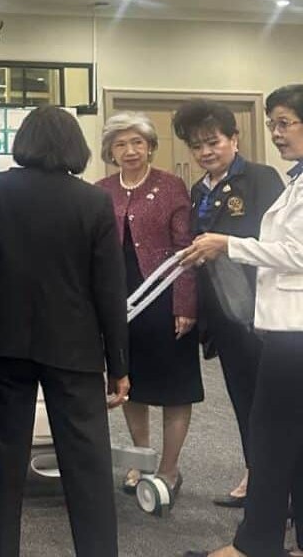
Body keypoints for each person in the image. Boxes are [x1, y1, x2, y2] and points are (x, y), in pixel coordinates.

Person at [0, 106, 128, 555]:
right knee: (88, 466)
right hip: (75, 349)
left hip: (3, 344)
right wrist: (119, 364)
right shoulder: (94, 201)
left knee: (3, 463)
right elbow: (109, 289)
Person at [181, 84, 303, 557]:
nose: (276, 132)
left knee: (271, 434)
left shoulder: (265, 179)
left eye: (285, 123)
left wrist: (227, 245)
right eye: (272, 124)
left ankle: (255, 544)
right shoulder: (294, 180)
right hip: (273, 322)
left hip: (289, 328)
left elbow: (294, 252)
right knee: (283, 433)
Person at [173, 99, 284, 508]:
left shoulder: (260, 179)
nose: (205, 151)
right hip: (223, 313)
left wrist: (226, 245)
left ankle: (278, 487)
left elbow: (278, 243)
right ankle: (257, 474)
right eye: (196, 145)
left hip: (260, 309)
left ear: (234, 139)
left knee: (271, 401)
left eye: (213, 141)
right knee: (242, 396)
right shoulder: (199, 190)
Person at [97, 112, 199, 498]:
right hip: (120, 302)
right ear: (110, 151)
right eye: (121, 144)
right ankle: (141, 461)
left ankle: (169, 469)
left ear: (151, 146)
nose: (130, 150)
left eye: (137, 142)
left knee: (176, 387)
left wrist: (186, 303)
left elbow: (186, 250)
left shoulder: (171, 186)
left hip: (165, 298)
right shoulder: (101, 190)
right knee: (130, 383)